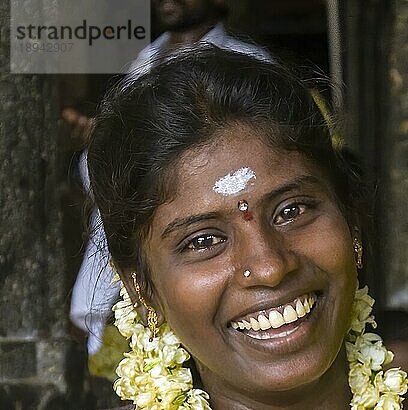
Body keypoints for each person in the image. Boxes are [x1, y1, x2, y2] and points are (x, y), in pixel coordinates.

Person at [0, 47, 408, 410]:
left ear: (352, 224)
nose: (270, 266)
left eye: (293, 210)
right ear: (142, 289)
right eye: (204, 241)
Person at [68, 0, 270, 358]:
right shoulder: (145, 60)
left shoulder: (246, 63)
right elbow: (106, 178)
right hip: (123, 276)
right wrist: (103, 145)